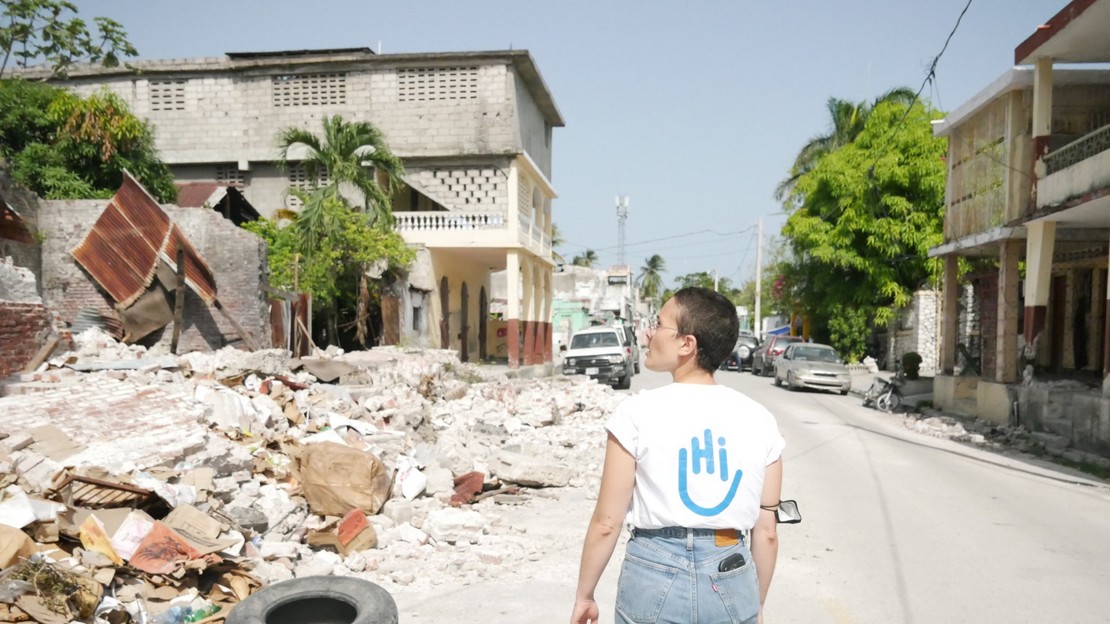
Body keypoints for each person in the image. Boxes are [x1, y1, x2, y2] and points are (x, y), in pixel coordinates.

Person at [571, 287, 785, 624]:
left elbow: (606, 523)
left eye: (658, 325)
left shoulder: (635, 412)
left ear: (687, 344)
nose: (648, 334)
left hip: (652, 570)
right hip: (731, 569)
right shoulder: (762, 420)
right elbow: (767, 530)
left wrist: (585, 595)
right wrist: (753, 606)